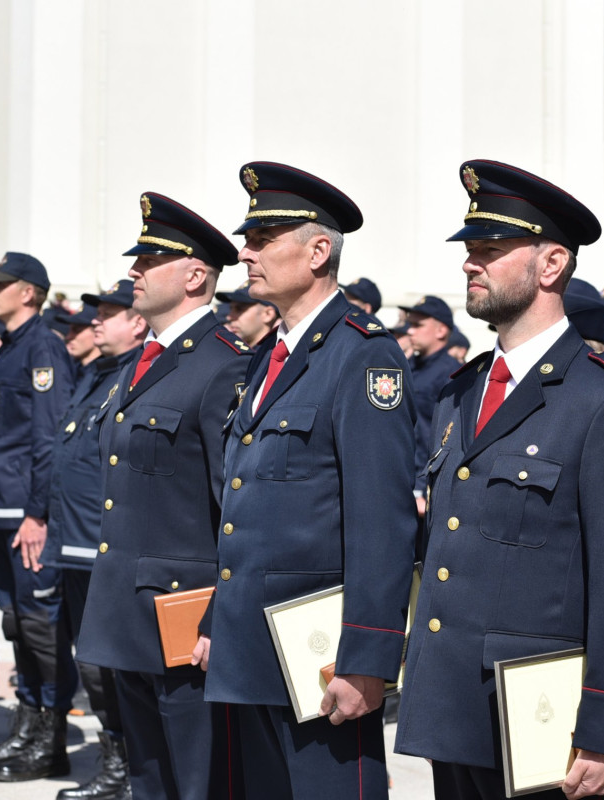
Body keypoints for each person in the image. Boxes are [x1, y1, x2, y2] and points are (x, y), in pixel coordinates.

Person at [394, 160, 604, 800]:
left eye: (491, 249)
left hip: (540, 714)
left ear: (551, 267)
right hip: (454, 704)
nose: (470, 263)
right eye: (469, 250)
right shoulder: (464, 390)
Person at [193, 161, 416, 799]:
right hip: (248, 641)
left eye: (263, 240)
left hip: (315, 652)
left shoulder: (362, 352)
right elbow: (244, 508)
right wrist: (216, 618)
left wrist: (367, 657)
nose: (245, 253)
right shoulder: (270, 355)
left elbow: (381, 519)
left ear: (318, 250)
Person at [76, 191, 251, 800]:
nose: (134, 271)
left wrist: (219, 616)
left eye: (149, 261)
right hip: (128, 612)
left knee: (200, 779)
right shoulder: (141, 362)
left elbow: (234, 508)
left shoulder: (223, 365)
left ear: (195, 275)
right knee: (149, 777)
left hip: (186, 616)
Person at [0, 252, 76, 783]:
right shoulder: (8, 348)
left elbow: (48, 439)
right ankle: (27, 728)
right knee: (16, 626)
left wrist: (38, 514)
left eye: (2, 285)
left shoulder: (42, 346)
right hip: (1, 513)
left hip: (27, 517)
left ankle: (50, 739)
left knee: (40, 628)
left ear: (28, 292)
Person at [46, 279, 144, 800]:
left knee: (115, 667)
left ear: (137, 321)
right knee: (93, 663)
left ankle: (129, 766)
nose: (96, 322)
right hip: (76, 544)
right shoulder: (94, 375)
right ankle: (115, 760)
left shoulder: (134, 375)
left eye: (109, 313)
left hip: (106, 549)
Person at [400, 295, 462, 517]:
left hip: (423, 486)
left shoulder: (453, 374)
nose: (409, 331)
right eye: (409, 324)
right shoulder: (407, 366)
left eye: (418, 325)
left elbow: (450, 440)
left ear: (440, 331)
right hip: (402, 477)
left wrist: (424, 492)